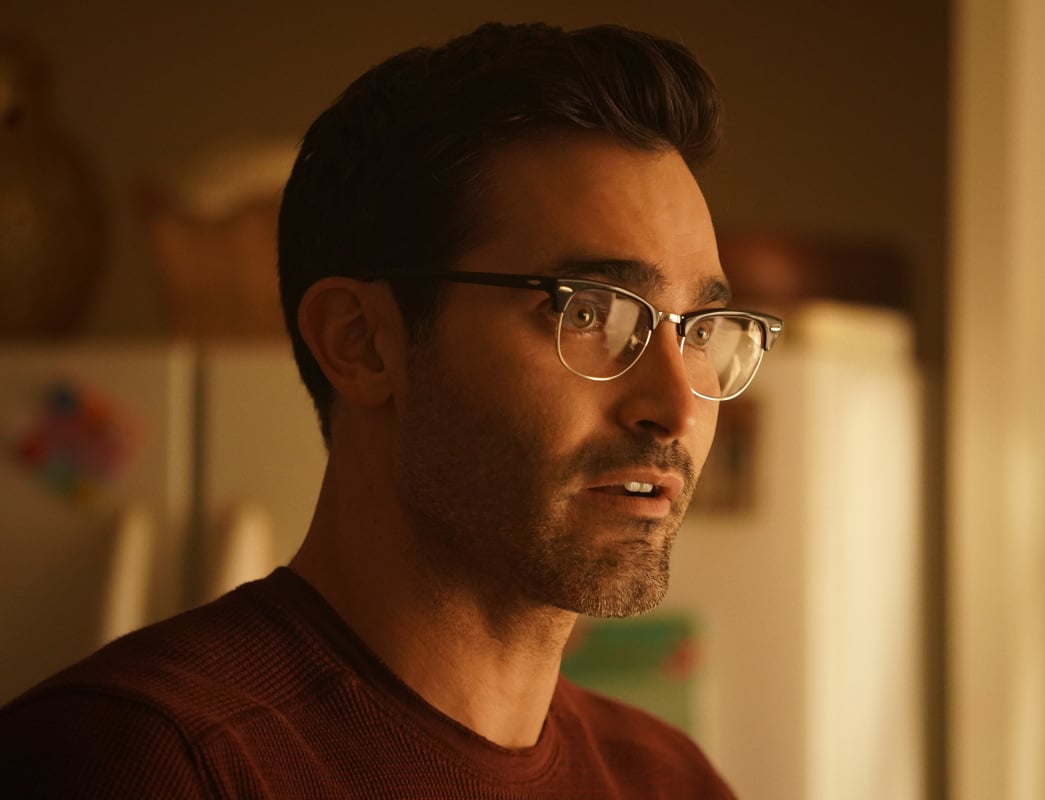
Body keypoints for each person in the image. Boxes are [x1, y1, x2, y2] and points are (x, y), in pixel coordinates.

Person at [0, 21, 782, 798]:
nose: (677, 408)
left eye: (701, 329)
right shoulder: (139, 763)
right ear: (362, 344)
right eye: (589, 312)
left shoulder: (671, 780)